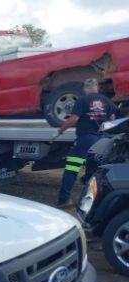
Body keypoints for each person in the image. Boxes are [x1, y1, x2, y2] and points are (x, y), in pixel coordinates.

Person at [55, 78, 116, 207]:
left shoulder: (82, 100)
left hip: (85, 140)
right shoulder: (107, 101)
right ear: (97, 87)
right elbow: (112, 120)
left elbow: (74, 118)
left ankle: (64, 200)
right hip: (101, 142)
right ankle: (94, 204)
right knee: (95, 173)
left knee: (72, 169)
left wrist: (60, 130)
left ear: (85, 88)